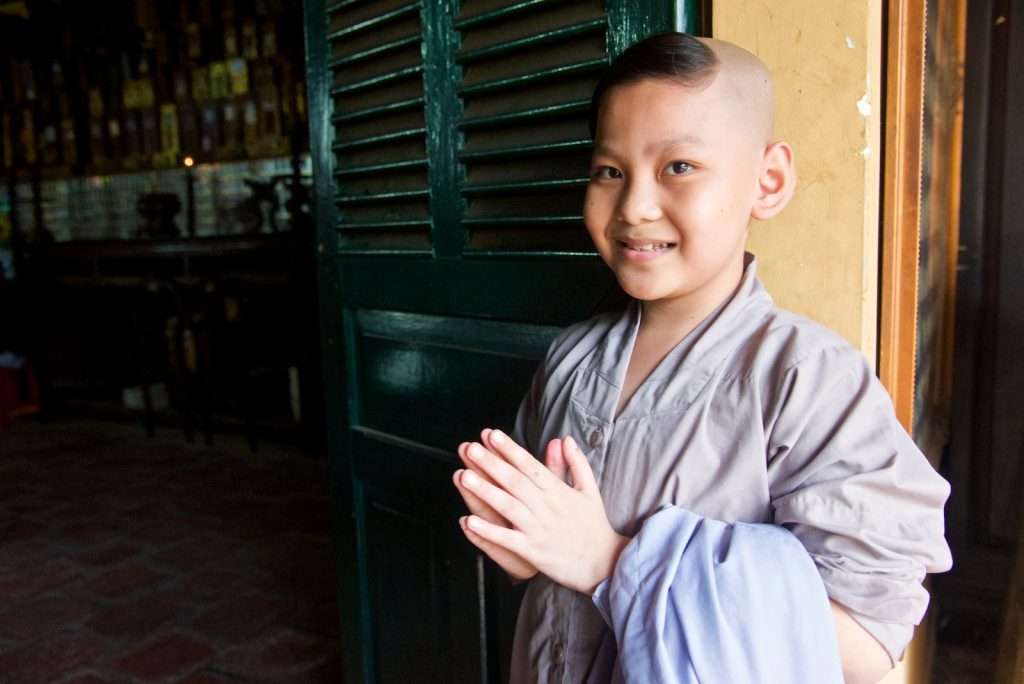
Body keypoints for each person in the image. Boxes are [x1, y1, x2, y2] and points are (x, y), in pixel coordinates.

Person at [451, 33, 952, 684]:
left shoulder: (806, 380)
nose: (633, 207)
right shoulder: (571, 357)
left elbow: (863, 643)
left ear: (767, 182)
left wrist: (611, 561)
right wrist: (519, 539)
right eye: (609, 171)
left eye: (678, 167)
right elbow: (540, 539)